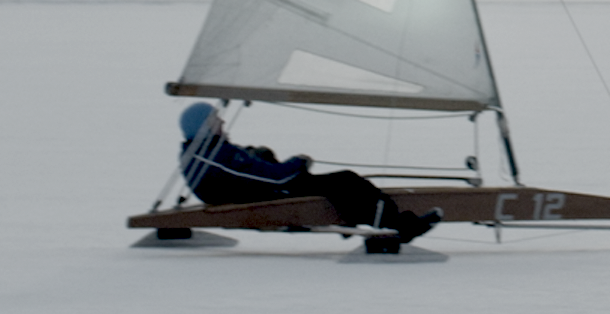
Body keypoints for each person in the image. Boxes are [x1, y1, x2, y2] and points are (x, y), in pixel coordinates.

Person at [176, 102, 439, 241]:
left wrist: (258, 156)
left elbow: (249, 171)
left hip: (262, 192)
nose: (222, 123)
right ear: (205, 128)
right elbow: (273, 177)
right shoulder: (212, 156)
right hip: (269, 195)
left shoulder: (205, 153)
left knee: (339, 183)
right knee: (345, 182)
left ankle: (362, 220)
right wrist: (298, 163)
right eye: (216, 121)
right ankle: (398, 226)